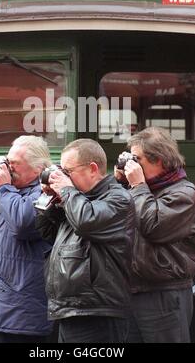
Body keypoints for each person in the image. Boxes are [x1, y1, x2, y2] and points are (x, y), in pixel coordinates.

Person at [36, 138, 135, 343]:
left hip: (98, 311)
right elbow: (46, 232)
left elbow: (86, 222)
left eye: (68, 171)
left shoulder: (118, 198)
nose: (64, 177)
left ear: (92, 168)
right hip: (73, 308)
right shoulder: (79, 199)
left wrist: (67, 191)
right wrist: (51, 199)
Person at [115, 127, 195, 343]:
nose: (133, 165)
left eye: (137, 159)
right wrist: (119, 183)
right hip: (132, 290)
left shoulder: (184, 193)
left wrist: (137, 185)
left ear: (160, 159)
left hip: (164, 294)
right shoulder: (139, 190)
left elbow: (152, 226)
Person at [0, 135, 53, 343]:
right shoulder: (14, 192)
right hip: (1, 306)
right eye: (8, 162)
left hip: (22, 312)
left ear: (38, 169)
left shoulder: (45, 192)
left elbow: (23, 224)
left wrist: (4, 188)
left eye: (15, 164)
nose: (9, 168)